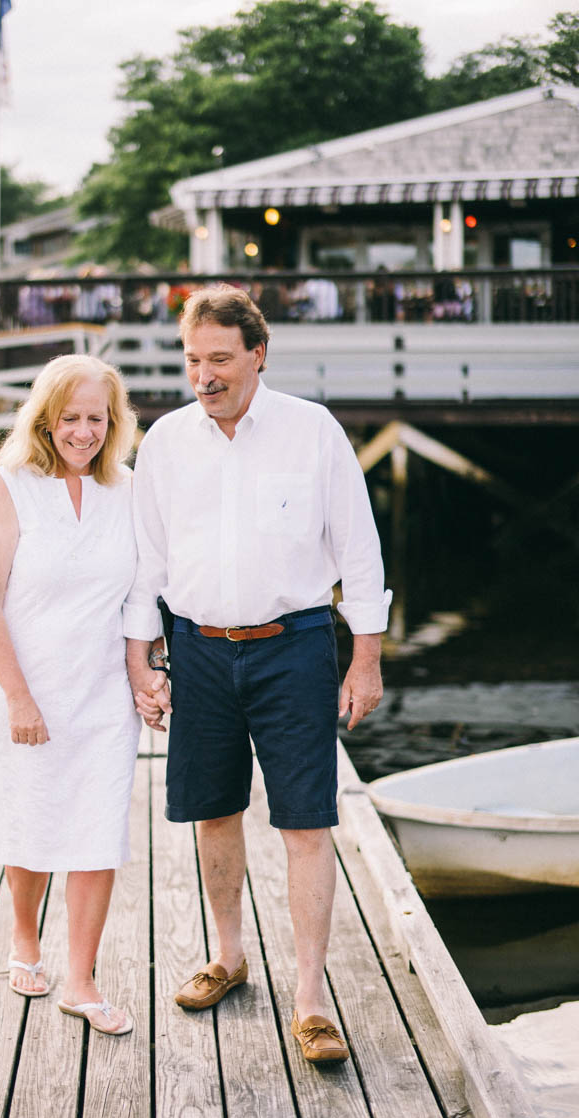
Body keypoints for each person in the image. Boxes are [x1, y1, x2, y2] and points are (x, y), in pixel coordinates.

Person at [126, 285, 391, 1064]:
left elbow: (359, 547)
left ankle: (310, 998)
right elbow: (148, 560)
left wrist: (365, 657)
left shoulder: (313, 431)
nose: (203, 375)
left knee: (305, 823)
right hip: (198, 647)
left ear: (257, 354)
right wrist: (141, 658)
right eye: (192, 360)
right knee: (213, 811)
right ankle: (229, 955)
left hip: (296, 644)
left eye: (218, 359)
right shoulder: (168, 442)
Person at [0, 354, 165, 1035]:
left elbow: (143, 594)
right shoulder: (13, 484)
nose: (83, 432)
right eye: (70, 418)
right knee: (30, 818)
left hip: (103, 690)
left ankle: (81, 980)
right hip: (28, 687)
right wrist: (19, 698)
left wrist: (145, 675)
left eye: (96, 418)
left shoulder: (129, 488)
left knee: (97, 831)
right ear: (45, 420)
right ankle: (24, 938)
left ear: (113, 423)